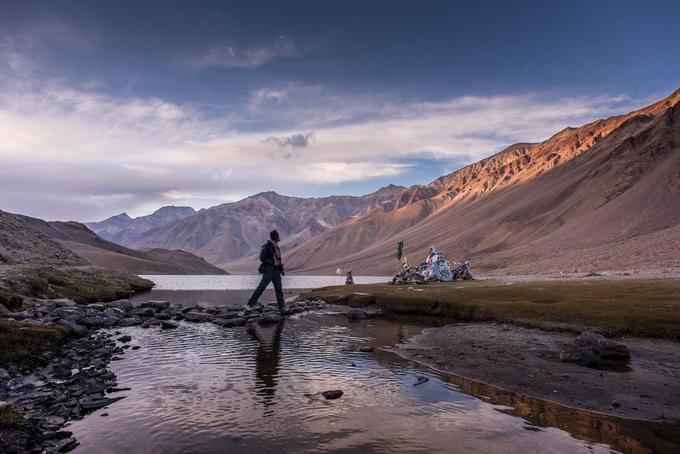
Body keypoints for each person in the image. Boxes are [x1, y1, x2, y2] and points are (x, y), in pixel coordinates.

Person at [245, 229, 286, 313]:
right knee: (261, 288)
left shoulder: (277, 247)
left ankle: (282, 306)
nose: (278, 237)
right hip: (268, 271)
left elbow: (279, 260)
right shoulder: (266, 246)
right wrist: (272, 262)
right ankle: (250, 304)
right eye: (277, 236)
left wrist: (281, 270)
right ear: (274, 237)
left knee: (279, 289)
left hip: (276, 271)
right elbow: (262, 258)